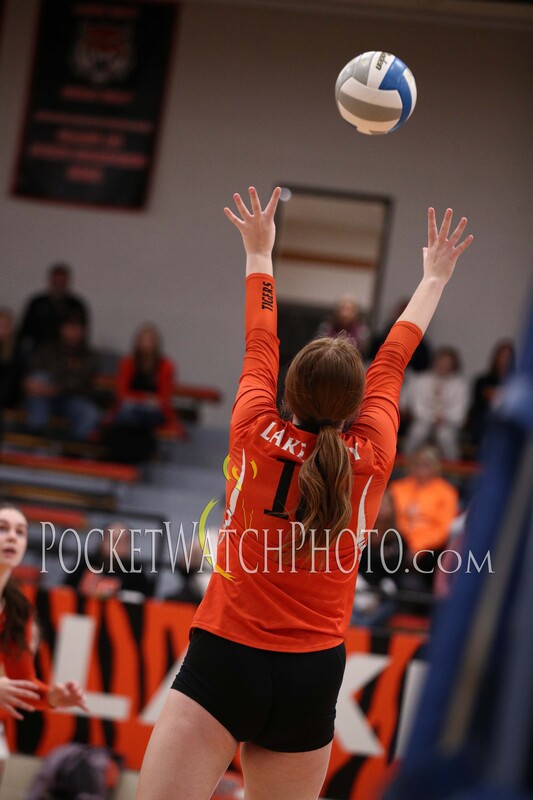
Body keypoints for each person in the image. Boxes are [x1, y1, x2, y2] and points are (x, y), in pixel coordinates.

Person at [135, 188, 473, 800]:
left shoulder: (252, 428)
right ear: (354, 406)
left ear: (289, 391)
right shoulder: (370, 457)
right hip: (311, 675)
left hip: (224, 656)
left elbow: (261, 339)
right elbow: (393, 361)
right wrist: (434, 279)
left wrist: (260, 251)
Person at [0, 503, 87, 784]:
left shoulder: (17, 609)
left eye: (20, 532)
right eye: (3, 529)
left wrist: (52, 697)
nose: (12, 537)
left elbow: (21, 683)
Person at [105, 324, 184, 462]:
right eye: (143, 340)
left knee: (139, 418)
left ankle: (132, 458)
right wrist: (143, 398)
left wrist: (148, 401)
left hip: (153, 411)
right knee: (128, 415)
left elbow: (164, 398)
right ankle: (127, 459)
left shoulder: (165, 366)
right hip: (131, 409)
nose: (146, 345)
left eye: (150, 341)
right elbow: (122, 393)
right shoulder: (128, 363)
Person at [389, 444, 459, 593]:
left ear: (435, 467)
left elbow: (443, 528)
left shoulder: (446, 493)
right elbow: (390, 518)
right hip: (398, 541)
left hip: (429, 549)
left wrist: (417, 548)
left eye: (426, 465)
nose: (421, 468)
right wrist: (404, 544)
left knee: (438, 558)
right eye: (417, 464)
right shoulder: (397, 488)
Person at [24, 312, 101, 441]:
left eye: (76, 328)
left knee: (90, 413)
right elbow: (33, 373)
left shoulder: (90, 356)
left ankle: (71, 449)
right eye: (69, 327)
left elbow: (80, 382)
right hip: (43, 398)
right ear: (61, 328)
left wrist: (55, 388)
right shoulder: (47, 349)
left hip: (72, 399)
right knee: (40, 379)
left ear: (84, 331)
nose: (72, 333)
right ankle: (37, 437)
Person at [401, 345, 469, 460]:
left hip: (448, 424)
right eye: (441, 361)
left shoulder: (460, 385)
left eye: (448, 363)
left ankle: (452, 472)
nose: (444, 365)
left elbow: (460, 412)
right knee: (417, 432)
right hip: (423, 420)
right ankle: (404, 464)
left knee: (445, 437)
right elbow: (415, 406)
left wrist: (444, 417)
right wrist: (430, 416)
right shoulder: (421, 380)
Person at [64, 521, 153, 599]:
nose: (117, 545)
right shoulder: (85, 565)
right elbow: (65, 592)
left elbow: (145, 604)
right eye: (113, 539)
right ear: (102, 541)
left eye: (123, 541)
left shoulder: (136, 575)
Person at [18, 263, 89, 356]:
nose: (59, 286)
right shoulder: (37, 302)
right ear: (51, 281)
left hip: (67, 352)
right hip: (38, 350)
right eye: (56, 282)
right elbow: (24, 330)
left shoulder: (76, 305)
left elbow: (83, 334)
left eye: (62, 282)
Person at [465, 338, 514, 453]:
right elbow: (478, 404)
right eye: (502, 356)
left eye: (508, 357)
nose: (505, 360)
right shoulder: (482, 381)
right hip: (485, 420)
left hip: (507, 422)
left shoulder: (517, 385)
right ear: (496, 357)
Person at [368, 297, 432, 372]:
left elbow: (421, 369)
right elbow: (370, 359)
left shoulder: (422, 346)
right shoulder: (380, 338)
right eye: (402, 312)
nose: (405, 316)